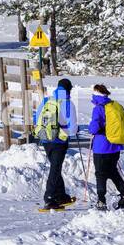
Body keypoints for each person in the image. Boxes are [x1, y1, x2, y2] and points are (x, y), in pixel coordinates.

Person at [32, 78, 78, 209]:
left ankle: (61, 196)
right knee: (55, 168)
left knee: (55, 166)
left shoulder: (47, 100)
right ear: (69, 89)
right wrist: (74, 130)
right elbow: (72, 129)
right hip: (59, 141)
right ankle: (49, 198)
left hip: (46, 139)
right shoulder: (68, 103)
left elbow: (36, 118)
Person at [88, 84, 124, 210]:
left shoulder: (98, 108)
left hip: (101, 146)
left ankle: (101, 201)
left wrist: (90, 128)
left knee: (100, 174)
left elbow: (94, 128)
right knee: (113, 171)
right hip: (115, 146)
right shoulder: (114, 105)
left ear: (95, 94)